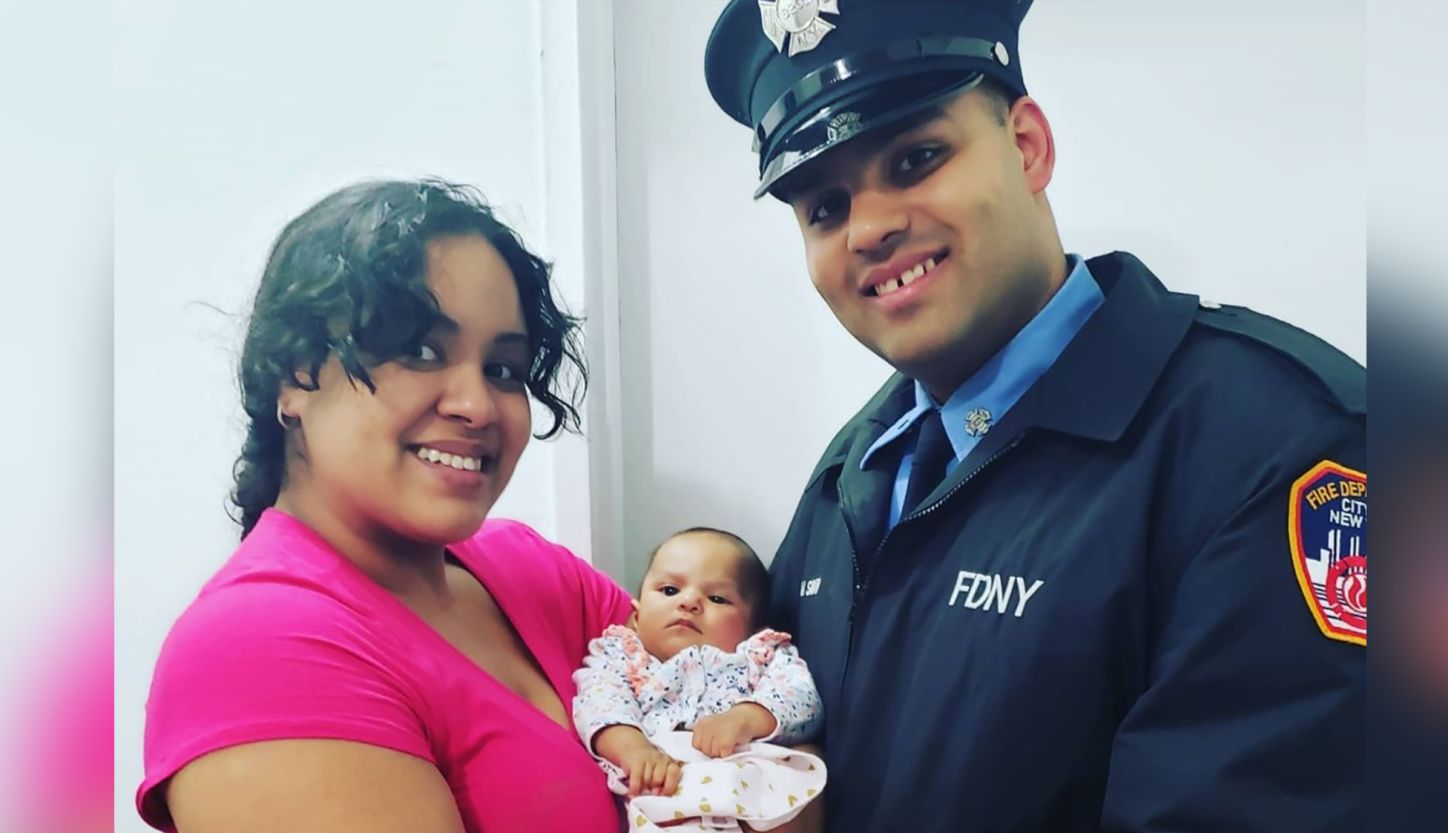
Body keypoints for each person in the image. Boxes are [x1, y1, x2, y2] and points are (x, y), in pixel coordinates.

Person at [703, 1, 1367, 831]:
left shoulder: (1277, 442)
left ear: (1028, 146)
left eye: (916, 158)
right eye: (824, 210)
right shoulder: (852, 475)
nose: (869, 228)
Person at [136, 179, 636, 833]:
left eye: (504, 368)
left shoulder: (536, 573)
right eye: (421, 351)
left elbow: (745, 702)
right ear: (294, 376)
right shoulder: (258, 649)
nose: (478, 405)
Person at [573, 528, 825, 832]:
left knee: (798, 775)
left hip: (744, 791)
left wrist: (747, 717)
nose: (689, 601)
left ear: (753, 627)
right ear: (637, 615)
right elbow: (600, 704)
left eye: (717, 598)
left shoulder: (762, 655)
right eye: (669, 590)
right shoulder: (621, 655)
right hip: (661, 790)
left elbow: (802, 698)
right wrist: (634, 749)